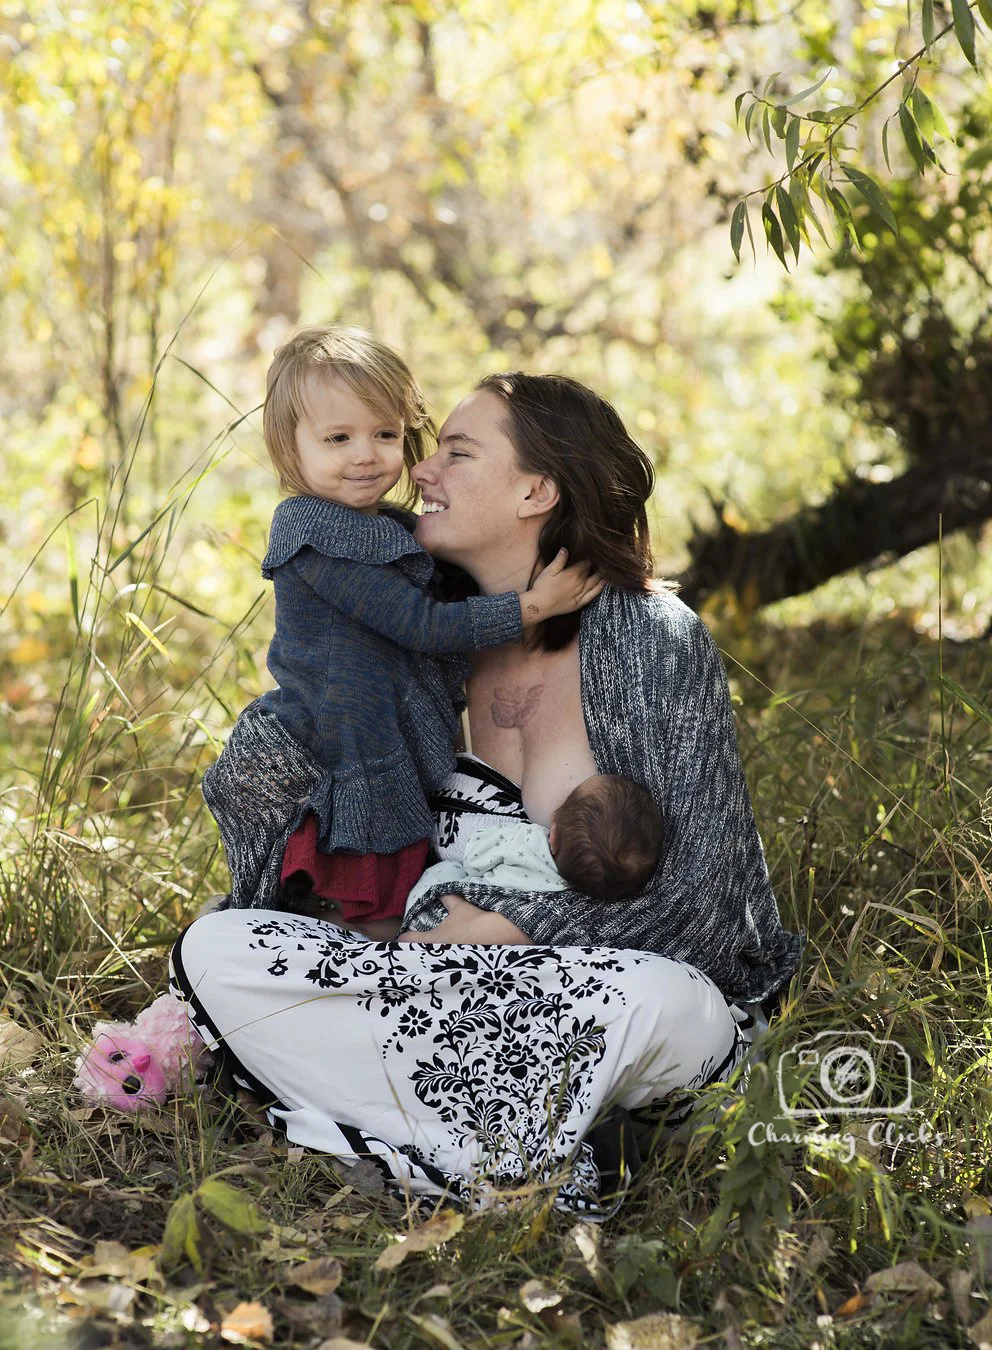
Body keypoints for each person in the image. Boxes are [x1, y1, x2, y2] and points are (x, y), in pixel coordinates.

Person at [173, 371, 804, 1214]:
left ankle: (396, 1135)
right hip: (438, 991)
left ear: (536, 491)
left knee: (660, 1000)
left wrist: (504, 928)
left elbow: (699, 897)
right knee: (220, 948)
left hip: (600, 996)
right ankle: (505, 1159)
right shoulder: (422, 638)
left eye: (457, 452)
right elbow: (330, 866)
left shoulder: (648, 637)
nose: (419, 471)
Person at [202, 327, 602, 937]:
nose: (366, 455)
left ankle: (378, 981)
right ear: (290, 449)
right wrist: (531, 606)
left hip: (380, 737)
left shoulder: (388, 524)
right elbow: (420, 625)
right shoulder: (314, 537)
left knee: (391, 903)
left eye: (384, 434)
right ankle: (347, 980)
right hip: (339, 750)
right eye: (338, 439)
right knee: (357, 906)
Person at [407, 765, 663, 910]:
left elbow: (474, 858)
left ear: (552, 838)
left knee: (444, 871)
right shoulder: (571, 900)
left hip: (460, 906)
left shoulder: (525, 840)